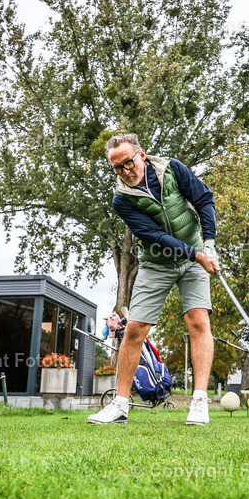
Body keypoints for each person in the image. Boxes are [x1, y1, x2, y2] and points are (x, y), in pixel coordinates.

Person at [87, 134, 220, 426]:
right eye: (117, 167)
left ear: (142, 155)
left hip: (195, 253)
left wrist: (209, 243)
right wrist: (198, 255)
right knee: (134, 328)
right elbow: (154, 235)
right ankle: (120, 405)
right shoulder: (122, 199)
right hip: (157, 262)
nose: (125, 171)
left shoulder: (172, 169)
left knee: (199, 320)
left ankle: (200, 401)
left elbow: (203, 199)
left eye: (128, 163)